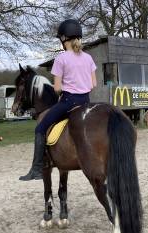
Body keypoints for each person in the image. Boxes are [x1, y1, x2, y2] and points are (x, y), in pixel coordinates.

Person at [20, 19, 97, 181]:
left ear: (63, 39)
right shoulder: (88, 58)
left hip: (68, 102)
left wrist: (68, 90)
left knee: (40, 128)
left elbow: (57, 88)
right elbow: (94, 84)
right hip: (86, 102)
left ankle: (37, 169)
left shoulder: (61, 59)